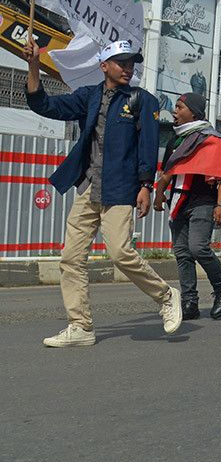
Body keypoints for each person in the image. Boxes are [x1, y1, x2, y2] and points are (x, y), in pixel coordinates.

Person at [24, 39, 182, 346]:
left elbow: (149, 146)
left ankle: (165, 296)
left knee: (120, 252)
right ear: (104, 66)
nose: (128, 68)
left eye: (131, 62)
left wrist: (146, 186)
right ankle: (80, 326)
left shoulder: (141, 100)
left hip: (121, 189)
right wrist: (33, 65)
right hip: (88, 188)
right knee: (70, 258)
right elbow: (44, 105)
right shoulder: (89, 96)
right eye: (121, 62)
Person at [154, 92, 221, 320]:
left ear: (194, 112)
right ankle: (189, 301)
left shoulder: (212, 139)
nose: (175, 111)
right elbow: (167, 173)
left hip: (204, 201)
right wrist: (159, 195)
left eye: (180, 107)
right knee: (182, 253)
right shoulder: (176, 140)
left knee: (198, 248)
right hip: (178, 201)